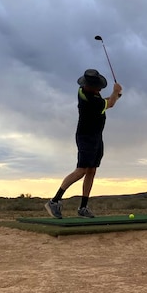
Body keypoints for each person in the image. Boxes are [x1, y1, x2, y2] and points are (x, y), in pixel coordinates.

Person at [45, 68, 122, 219]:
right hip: (86, 137)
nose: (100, 88)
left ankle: (83, 207)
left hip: (96, 137)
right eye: (97, 86)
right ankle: (54, 201)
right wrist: (116, 93)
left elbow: (106, 102)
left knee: (92, 170)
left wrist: (115, 96)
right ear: (89, 86)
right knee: (81, 170)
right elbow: (110, 104)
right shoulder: (90, 100)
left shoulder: (87, 92)